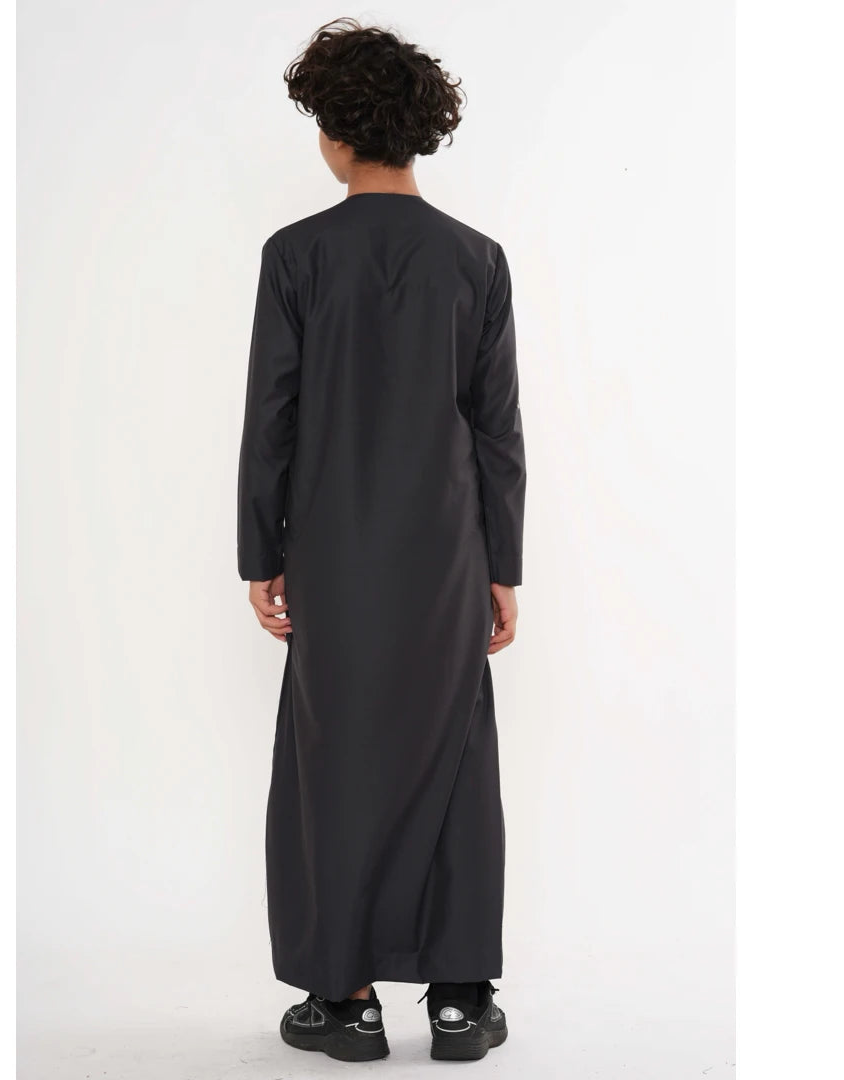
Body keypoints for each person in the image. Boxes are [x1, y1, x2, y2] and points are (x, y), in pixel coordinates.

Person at [236, 18, 526, 1064]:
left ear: (334, 134)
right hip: (448, 553)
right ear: (420, 131)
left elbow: (272, 416)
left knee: (335, 759)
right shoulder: (476, 260)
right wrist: (502, 567)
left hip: (331, 553)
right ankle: (460, 1003)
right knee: (454, 755)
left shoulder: (296, 256)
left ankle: (347, 1000)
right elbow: (496, 430)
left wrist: (259, 556)